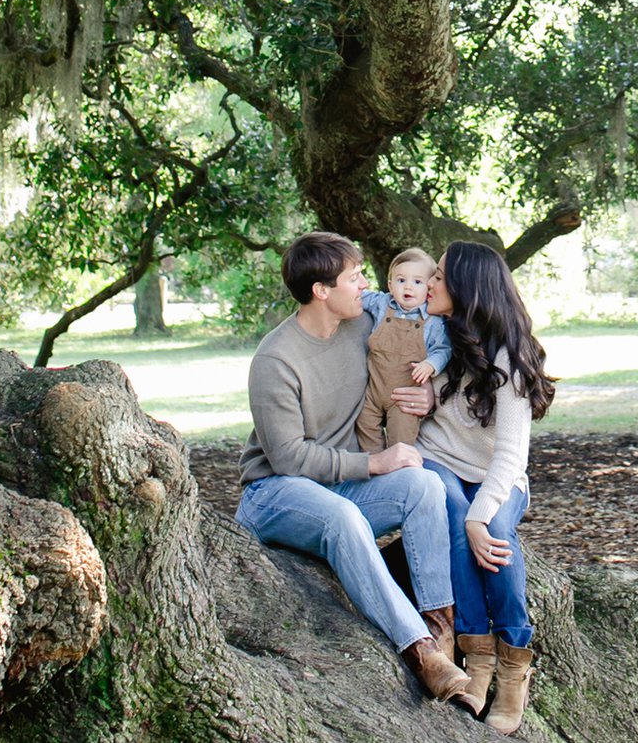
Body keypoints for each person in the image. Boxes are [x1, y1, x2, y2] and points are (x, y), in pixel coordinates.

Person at [234, 231, 471, 704]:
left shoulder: (365, 323)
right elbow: (288, 457)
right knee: (341, 518)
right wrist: (375, 461)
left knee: (424, 487)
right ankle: (420, 651)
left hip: (341, 484)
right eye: (354, 277)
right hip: (275, 492)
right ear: (322, 291)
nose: (366, 284)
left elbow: (415, 347)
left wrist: (429, 391)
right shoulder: (275, 359)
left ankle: (441, 631)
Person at [418, 241, 555, 736]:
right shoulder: (437, 336)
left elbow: (511, 456)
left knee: (491, 526)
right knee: (452, 511)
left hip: (498, 476)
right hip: (440, 461)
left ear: (467, 287)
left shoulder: (508, 355)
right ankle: (477, 660)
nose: (429, 283)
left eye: (438, 276)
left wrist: (481, 516)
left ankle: (514, 666)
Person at [356, 248, 452, 453]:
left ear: (429, 288)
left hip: (404, 395)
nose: (408, 286)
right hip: (374, 390)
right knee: (364, 424)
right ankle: (374, 465)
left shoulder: (432, 321)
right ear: (390, 284)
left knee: (401, 437)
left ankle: (399, 470)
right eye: (401, 280)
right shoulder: (381, 304)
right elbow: (358, 296)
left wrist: (430, 365)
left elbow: (443, 349)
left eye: (417, 282)